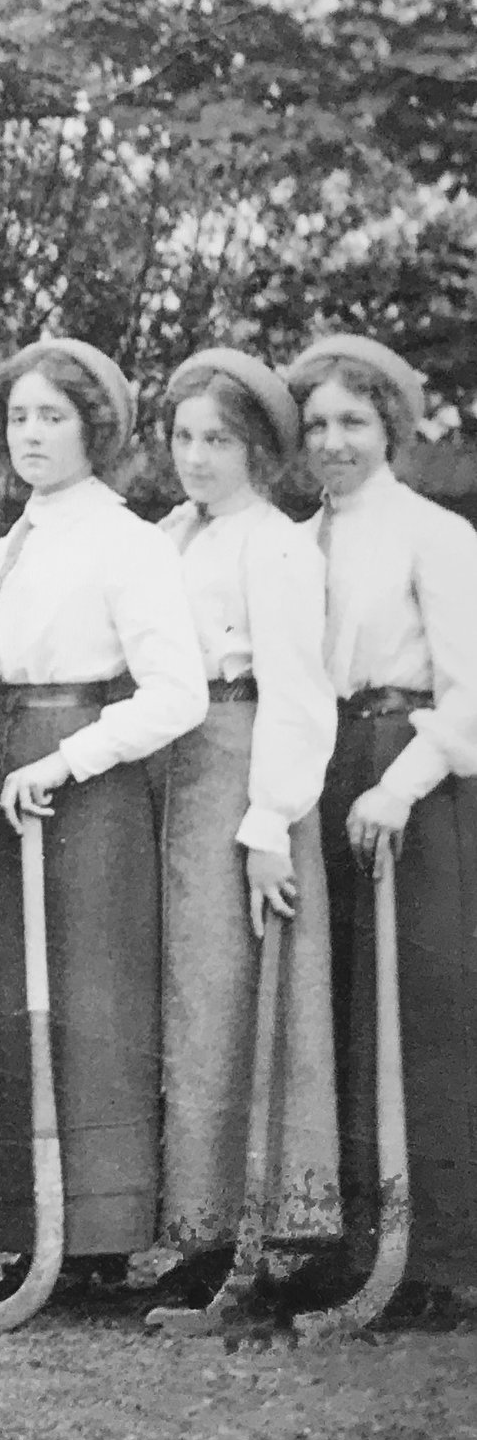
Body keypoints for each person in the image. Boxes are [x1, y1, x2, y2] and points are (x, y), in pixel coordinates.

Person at [0, 337, 207, 1297]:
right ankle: (34, 1230)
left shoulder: (127, 542)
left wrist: (68, 762)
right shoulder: (4, 544)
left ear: (95, 430)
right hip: (5, 760)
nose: (31, 434)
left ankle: (97, 1239)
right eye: (19, 417)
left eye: (52, 417)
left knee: (88, 1009)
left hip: (85, 783)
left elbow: (177, 694)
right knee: (11, 1001)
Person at [286, 333, 477, 1320]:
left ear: (390, 426)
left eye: (352, 422)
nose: (333, 441)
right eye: (316, 424)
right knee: (341, 1010)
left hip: (410, 776)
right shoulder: (296, 536)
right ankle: (358, 1240)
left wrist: (398, 785)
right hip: (322, 768)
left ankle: (440, 1258)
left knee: (422, 1016)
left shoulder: (433, 534)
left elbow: (469, 691)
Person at [150, 348, 340, 1305]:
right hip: (167, 765)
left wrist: (270, 821)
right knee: (184, 1000)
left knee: (232, 995)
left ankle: (261, 1234)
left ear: (258, 448)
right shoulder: (171, 535)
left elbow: (298, 691)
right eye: (184, 438)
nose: (197, 458)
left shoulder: (274, 544)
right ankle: (197, 1224)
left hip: (242, 764)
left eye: (218, 440)